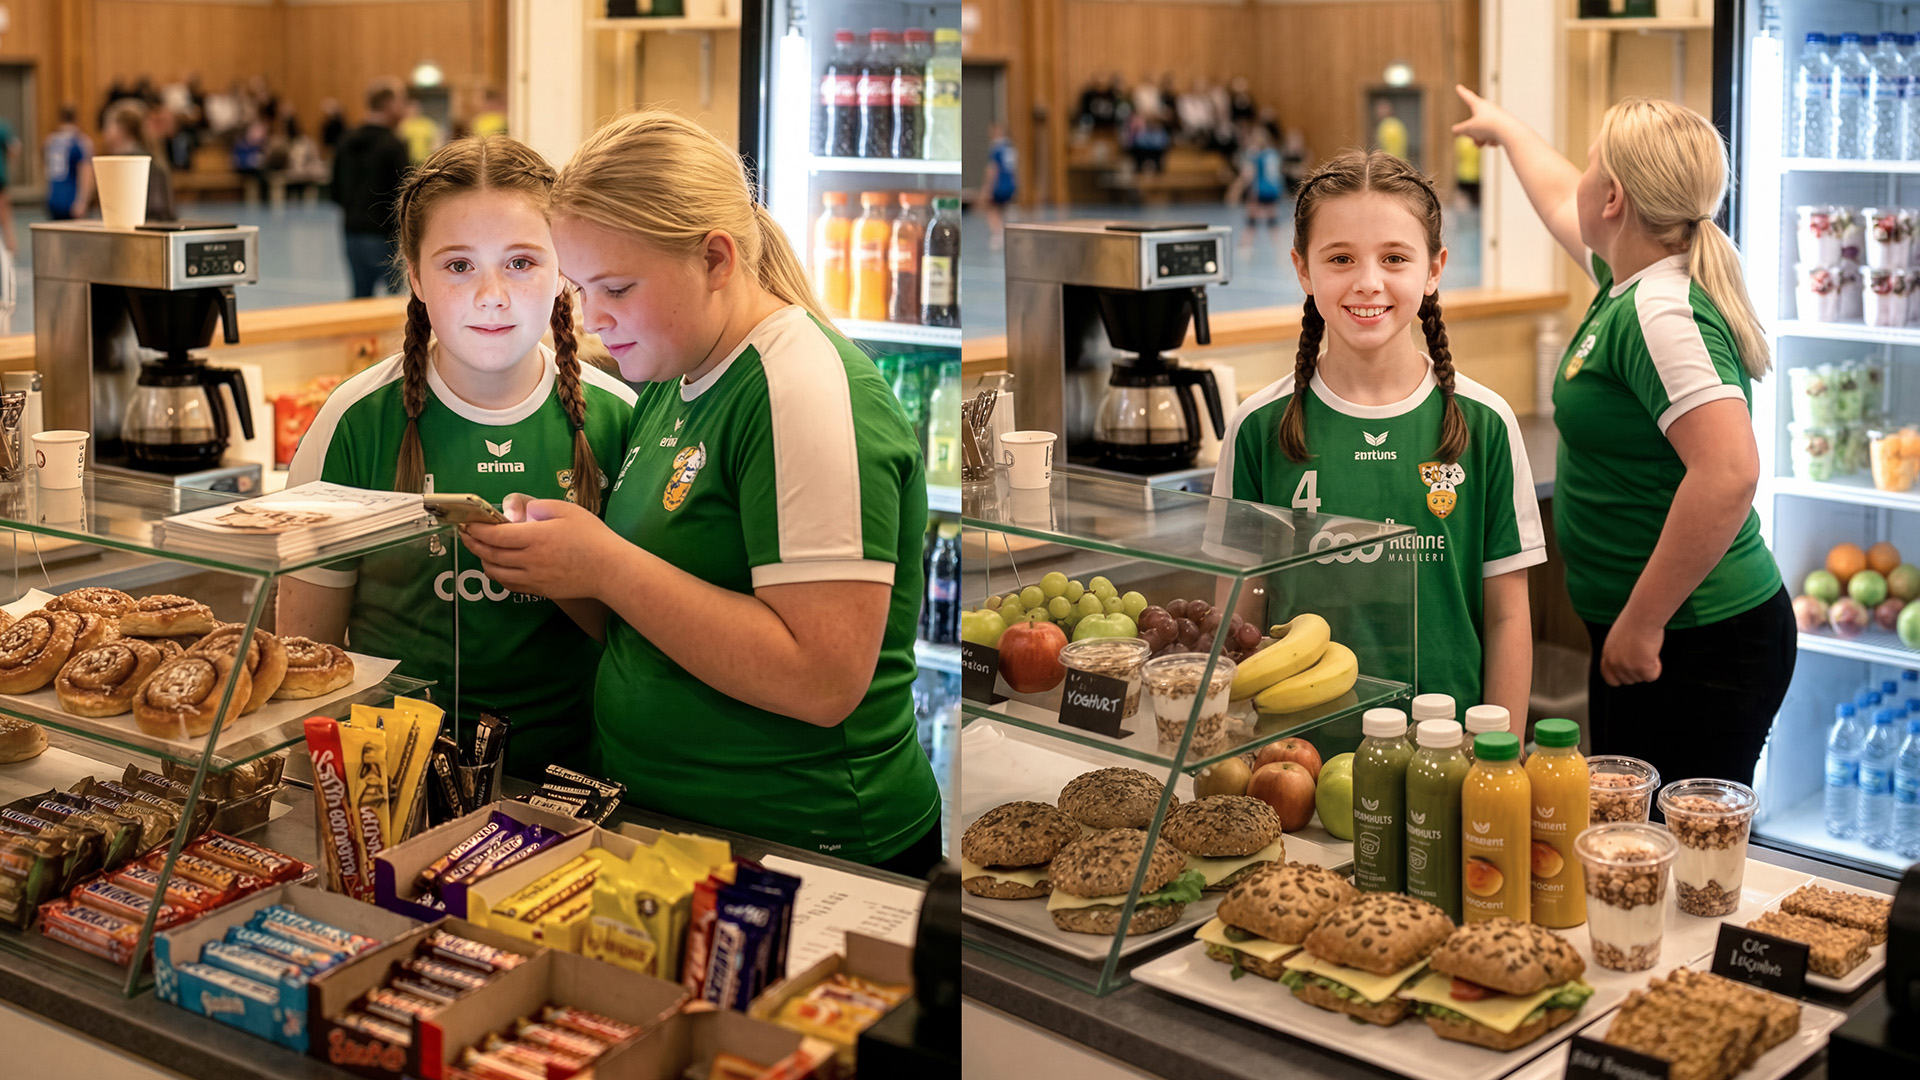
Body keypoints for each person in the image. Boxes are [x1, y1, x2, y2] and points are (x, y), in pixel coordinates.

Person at [459, 110, 943, 876]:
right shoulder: (676, 371)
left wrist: (606, 566)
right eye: (581, 289)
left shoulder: (800, 390)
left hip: (804, 847)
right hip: (669, 827)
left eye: (617, 287)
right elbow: (664, 621)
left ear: (716, 258)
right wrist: (558, 564)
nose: (595, 318)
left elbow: (824, 678)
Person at [1453, 87, 1791, 788]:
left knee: (1669, 856)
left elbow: (1729, 472)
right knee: (1638, 852)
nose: (1572, 181)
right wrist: (1509, 130)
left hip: (1696, 637)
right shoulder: (1629, 282)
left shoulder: (1661, 311)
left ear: (1612, 199)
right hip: (1662, 630)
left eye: (1588, 166)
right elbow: (1555, 198)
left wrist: (1641, 622)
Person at [279, 135, 638, 779]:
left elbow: (648, 633)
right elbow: (307, 663)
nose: (493, 294)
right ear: (415, 276)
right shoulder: (351, 423)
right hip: (392, 791)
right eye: (458, 265)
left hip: (583, 788)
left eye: (522, 262)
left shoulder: (620, 416)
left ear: (564, 269)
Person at [1213, 150, 1544, 727]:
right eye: (1340, 258)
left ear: (1434, 268)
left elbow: (1507, 617)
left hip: (1449, 757)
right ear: (1303, 269)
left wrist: (1502, 755)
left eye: (1395, 258)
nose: (1369, 282)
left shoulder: (1484, 422)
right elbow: (1236, 612)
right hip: (1296, 758)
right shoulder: (1258, 427)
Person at [333, 80, 411, 297]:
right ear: (388, 105)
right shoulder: (393, 144)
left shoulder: (346, 140)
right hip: (383, 234)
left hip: (352, 231)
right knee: (394, 298)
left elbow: (336, 190)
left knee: (360, 297)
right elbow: (403, 191)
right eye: (401, 101)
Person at [100, 99, 176, 222]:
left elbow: (157, 210)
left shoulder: (136, 162)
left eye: (107, 125)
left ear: (122, 128)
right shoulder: (139, 158)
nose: (104, 132)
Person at [1226, 127, 1284, 230]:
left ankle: (1245, 245)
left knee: (1251, 221)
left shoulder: (1256, 154)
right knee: (1272, 221)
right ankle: (1280, 244)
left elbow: (1248, 174)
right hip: (1274, 190)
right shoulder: (1273, 153)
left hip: (1260, 190)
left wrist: (1235, 192)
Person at [44, 105, 93, 221]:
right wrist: (83, 201)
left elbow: (46, 171)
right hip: (72, 199)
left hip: (53, 197)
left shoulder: (50, 141)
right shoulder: (81, 141)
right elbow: (86, 172)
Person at [982, 123, 1017, 251]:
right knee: (1004, 209)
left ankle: (998, 234)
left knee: (991, 209)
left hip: (999, 185)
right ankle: (1007, 231)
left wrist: (987, 188)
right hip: (1010, 184)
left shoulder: (996, 149)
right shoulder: (1010, 148)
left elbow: (992, 169)